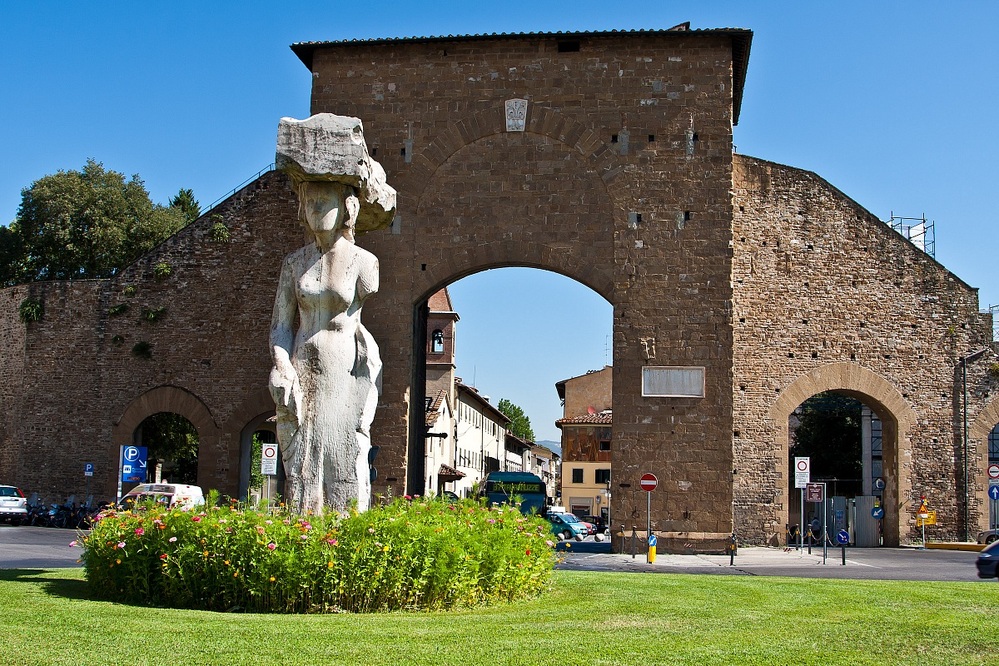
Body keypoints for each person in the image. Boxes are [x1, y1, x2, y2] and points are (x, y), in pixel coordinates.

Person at [269, 179, 384, 514]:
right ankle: (305, 530)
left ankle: (343, 528)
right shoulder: (293, 264)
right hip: (302, 365)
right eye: (310, 201)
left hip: (347, 369)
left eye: (324, 200)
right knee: (303, 457)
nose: (316, 208)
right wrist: (280, 363)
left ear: (346, 208)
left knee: (345, 452)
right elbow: (279, 326)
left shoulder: (365, 262)